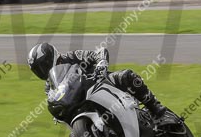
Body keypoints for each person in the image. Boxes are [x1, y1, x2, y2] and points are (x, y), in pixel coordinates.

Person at [27, 42, 169, 120]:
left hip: (101, 82)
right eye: (37, 69)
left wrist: (100, 63)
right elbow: (57, 102)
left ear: (51, 57)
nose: (42, 71)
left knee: (127, 76)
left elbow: (97, 53)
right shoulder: (49, 87)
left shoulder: (71, 56)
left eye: (43, 65)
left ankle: (154, 107)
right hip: (82, 102)